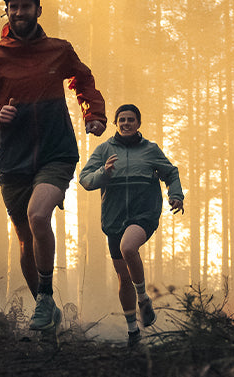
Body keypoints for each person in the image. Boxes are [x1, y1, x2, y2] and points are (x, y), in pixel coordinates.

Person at [0, 0, 107, 332]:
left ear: (38, 11)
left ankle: (44, 298)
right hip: (12, 160)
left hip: (55, 152)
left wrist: (94, 114)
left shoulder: (58, 51)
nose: (18, 12)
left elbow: (83, 80)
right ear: (7, 13)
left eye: (25, 6)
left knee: (38, 215)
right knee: (25, 239)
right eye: (12, 7)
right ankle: (47, 307)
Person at [79, 103, 184, 347]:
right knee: (122, 277)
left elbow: (171, 172)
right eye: (122, 120)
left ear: (138, 123)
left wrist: (175, 195)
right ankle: (132, 332)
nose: (126, 123)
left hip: (144, 213)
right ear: (116, 123)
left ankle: (143, 298)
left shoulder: (150, 149)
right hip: (114, 218)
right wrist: (103, 173)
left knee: (128, 248)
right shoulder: (104, 149)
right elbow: (85, 179)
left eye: (131, 120)